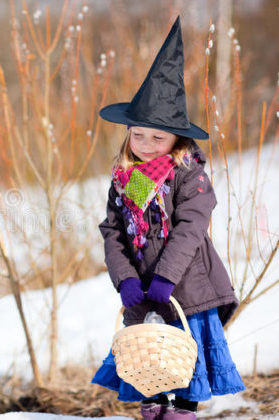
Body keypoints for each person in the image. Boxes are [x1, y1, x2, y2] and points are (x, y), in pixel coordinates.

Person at [90, 16, 246, 420]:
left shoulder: (188, 174)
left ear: (178, 138)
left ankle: (184, 412)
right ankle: (155, 410)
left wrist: (166, 277)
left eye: (157, 138)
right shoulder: (126, 179)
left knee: (184, 355)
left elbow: (190, 228)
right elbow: (114, 230)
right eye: (137, 135)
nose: (145, 145)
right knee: (150, 359)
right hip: (141, 289)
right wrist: (125, 278)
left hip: (186, 288)